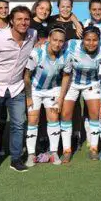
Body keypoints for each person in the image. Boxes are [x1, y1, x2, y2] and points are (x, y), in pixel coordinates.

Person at [0, 5, 38, 174]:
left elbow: (40, 44)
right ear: (11, 21)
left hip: (16, 87)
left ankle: (16, 159)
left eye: (26, 19)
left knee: (19, 124)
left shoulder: (32, 35)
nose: (23, 22)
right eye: (19, 19)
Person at [58, 27, 101, 162]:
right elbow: (56, 45)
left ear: (99, 40)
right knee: (66, 114)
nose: (91, 43)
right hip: (72, 83)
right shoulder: (71, 44)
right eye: (88, 39)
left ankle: (94, 148)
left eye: (95, 40)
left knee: (95, 113)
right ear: (82, 39)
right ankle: (67, 150)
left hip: (92, 83)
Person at [24, 27, 68, 166]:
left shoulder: (66, 56)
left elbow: (66, 76)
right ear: (49, 39)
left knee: (54, 118)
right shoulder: (37, 53)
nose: (57, 44)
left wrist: (61, 98)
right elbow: (26, 76)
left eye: (61, 41)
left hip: (53, 89)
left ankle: (54, 152)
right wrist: (29, 97)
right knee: (33, 120)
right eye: (55, 40)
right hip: (35, 90)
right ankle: (31, 155)